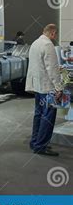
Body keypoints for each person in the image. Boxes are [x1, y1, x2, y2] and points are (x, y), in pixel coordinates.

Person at [25, 24, 64, 156]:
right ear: (52, 33)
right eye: (55, 34)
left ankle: (35, 142)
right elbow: (52, 69)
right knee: (48, 117)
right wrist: (59, 88)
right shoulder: (48, 45)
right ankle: (41, 146)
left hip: (38, 87)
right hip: (48, 88)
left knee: (38, 115)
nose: (55, 37)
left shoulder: (35, 43)